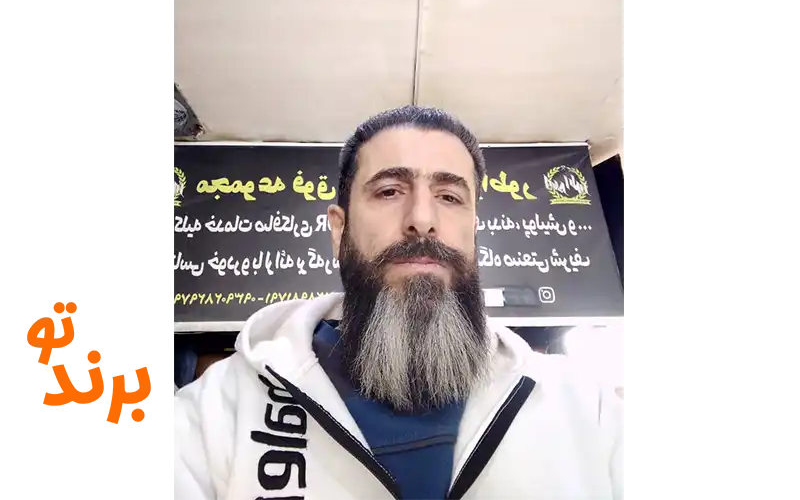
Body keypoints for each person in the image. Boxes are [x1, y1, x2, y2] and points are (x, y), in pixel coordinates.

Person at [169, 106, 624, 500]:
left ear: (473, 232)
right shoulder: (216, 415)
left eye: (449, 196)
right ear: (339, 230)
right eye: (389, 191)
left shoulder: (588, 410)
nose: (422, 219)